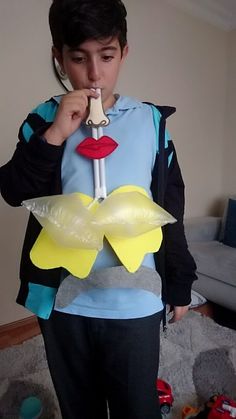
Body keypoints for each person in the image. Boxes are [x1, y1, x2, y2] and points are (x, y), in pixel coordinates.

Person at [0, 0, 197, 418]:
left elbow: (170, 208)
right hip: (63, 302)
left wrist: (179, 282)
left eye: (106, 57)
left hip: (136, 300)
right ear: (59, 56)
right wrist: (54, 135)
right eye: (78, 58)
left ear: (124, 52)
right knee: (79, 406)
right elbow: (14, 191)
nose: (94, 74)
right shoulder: (42, 120)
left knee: (135, 406)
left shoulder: (151, 123)